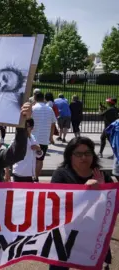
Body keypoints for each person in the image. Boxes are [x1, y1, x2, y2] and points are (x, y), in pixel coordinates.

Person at [49, 137, 112, 270]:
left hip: (94, 233)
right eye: (78, 154)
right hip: (66, 233)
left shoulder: (102, 175)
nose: (84, 157)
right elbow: (57, 206)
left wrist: (103, 190)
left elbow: (112, 207)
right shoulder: (61, 175)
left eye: (88, 153)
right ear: (70, 156)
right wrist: (85, 191)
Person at [32, 91, 56, 182]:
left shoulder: (33, 108)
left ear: (35, 98)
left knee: (32, 159)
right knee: (40, 160)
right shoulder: (50, 109)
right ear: (44, 99)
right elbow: (53, 124)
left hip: (33, 139)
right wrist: (51, 137)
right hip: (44, 139)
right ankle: (36, 177)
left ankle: (31, 175)